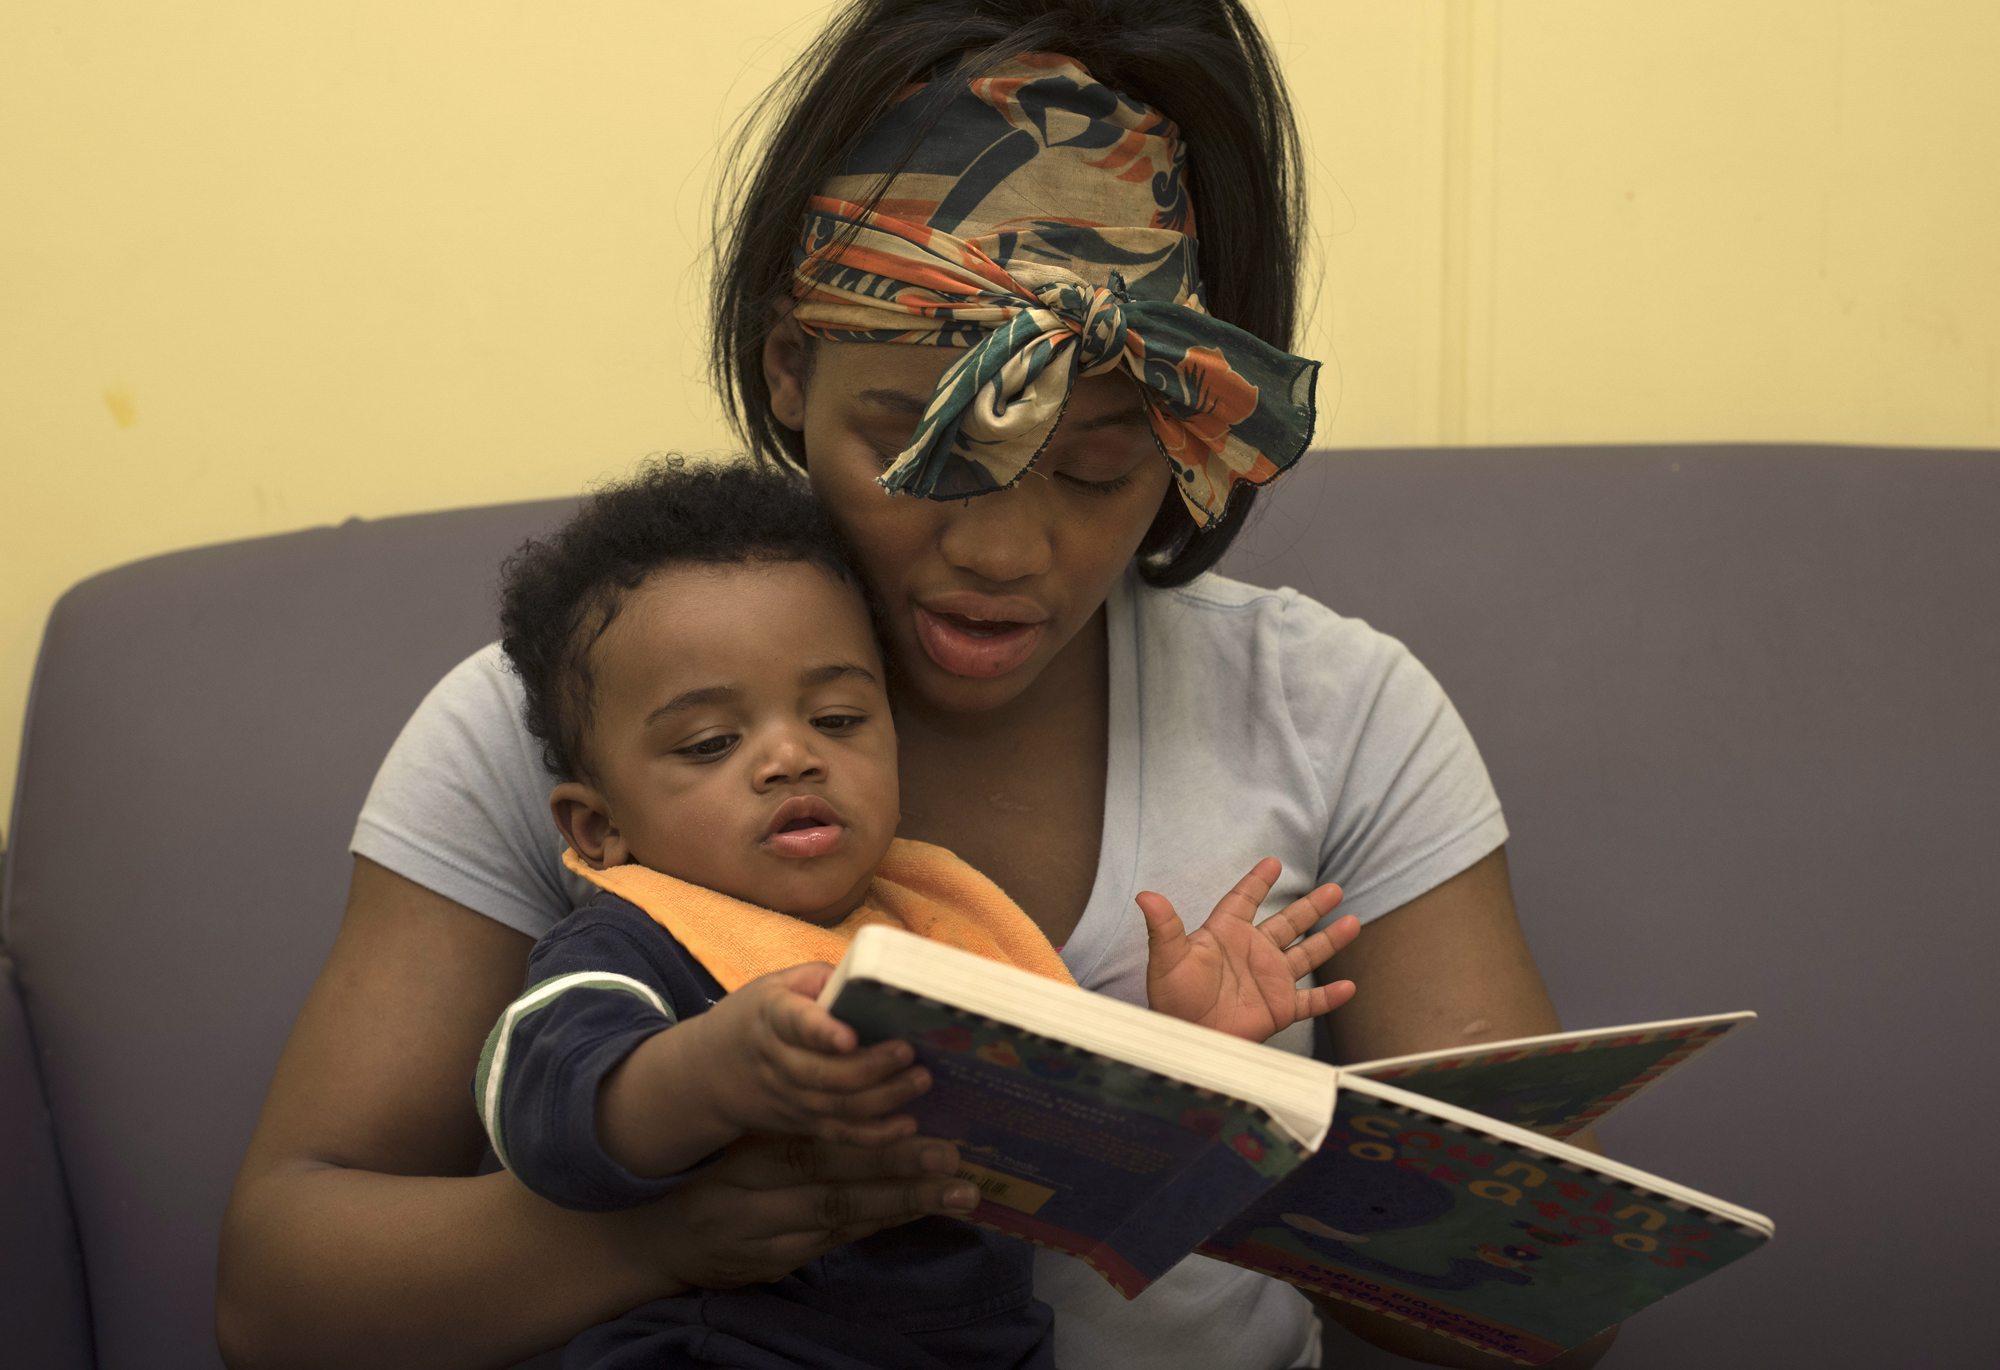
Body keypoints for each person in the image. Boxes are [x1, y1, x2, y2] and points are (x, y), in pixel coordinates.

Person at [218, 4, 1613, 1368]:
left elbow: (1556, 1307)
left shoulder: (1341, 713)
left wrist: (1219, 1129)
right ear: (789, 372)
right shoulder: (568, 714)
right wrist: (672, 1234)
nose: (1003, 550)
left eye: (1095, 465)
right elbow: (279, 1298)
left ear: (1192, 445)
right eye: (921, 442)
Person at [477, 456, 1358, 1369]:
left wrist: (1190, 1054)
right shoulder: (634, 938)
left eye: (840, 720)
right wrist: (712, 1067)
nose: (791, 757)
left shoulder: (936, 926)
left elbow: (1083, 1170)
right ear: (599, 824)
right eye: (711, 743)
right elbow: (543, 1106)